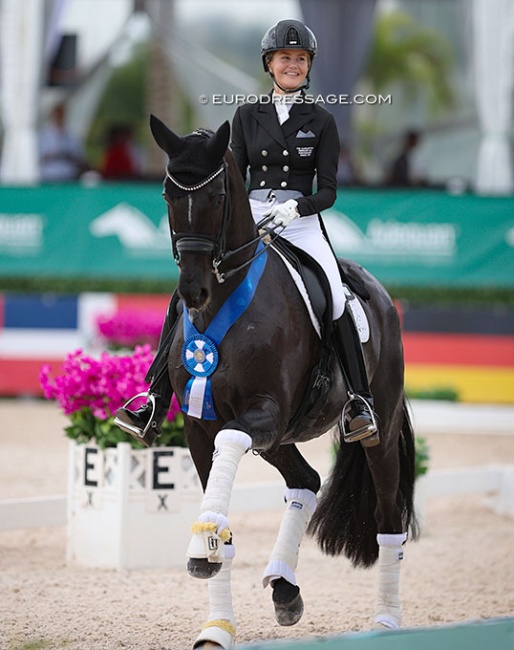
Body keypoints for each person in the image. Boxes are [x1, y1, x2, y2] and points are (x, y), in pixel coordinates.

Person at [115, 19, 377, 446]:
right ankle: (153, 398)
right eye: (284, 58)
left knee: (333, 293)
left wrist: (296, 207)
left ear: (308, 66)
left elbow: (328, 190)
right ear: (269, 64)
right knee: (186, 294)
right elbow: (235, 174)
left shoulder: (323, 120)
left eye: (300, 59)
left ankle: (358, 402)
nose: (292, 65)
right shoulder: (245, 116)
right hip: (251, 216)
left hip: (301, 220)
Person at [39, 103, 88, 182]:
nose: (59, 117)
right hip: (49, 175)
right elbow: (40, 156)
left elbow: (79, 156)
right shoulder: (44, 135)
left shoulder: (72, 135)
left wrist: (65, 155)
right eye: (57, 115)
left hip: (68, 175)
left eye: (61, 115)